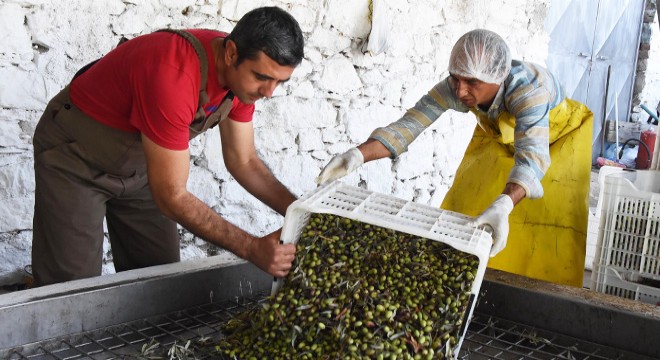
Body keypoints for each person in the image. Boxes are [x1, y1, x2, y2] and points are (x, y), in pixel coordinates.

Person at [31, 6, 305, 286]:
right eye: (262, 77)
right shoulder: (173, 74)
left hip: (142, 169)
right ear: (231, 53)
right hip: (74, 159)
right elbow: (171, 195)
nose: (269, 92)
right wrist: (251, 248)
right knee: (69, 287)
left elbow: (244, 161)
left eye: (279, 82)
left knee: (158, 280)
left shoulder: (242, 81)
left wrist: (302, 214)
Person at [317, 29, 593, 287]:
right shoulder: (457, 87)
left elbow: (532, 157)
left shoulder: (527, 91)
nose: (460, 91)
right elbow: (409, 126)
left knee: (547, 230)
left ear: (496, 78)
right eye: (455, 78)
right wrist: (356, 156)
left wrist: (505, 204)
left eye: (472, 82)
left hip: (556, 143)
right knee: (467, 211)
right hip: (502, 138)